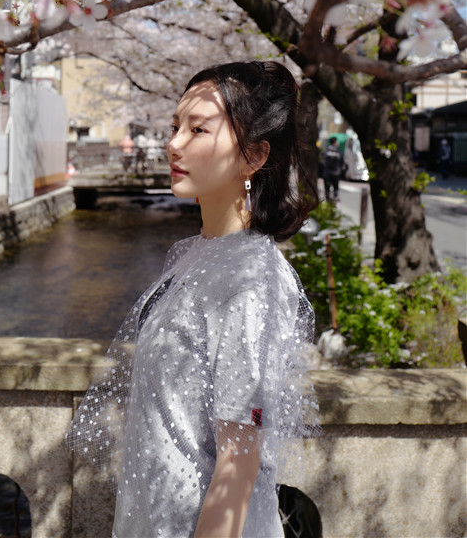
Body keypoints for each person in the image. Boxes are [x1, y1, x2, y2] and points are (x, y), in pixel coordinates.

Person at [67, 61, 319, 538]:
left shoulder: (252, 280)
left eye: (198, 129)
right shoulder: (199, 256)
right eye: (175, 127)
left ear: (254, 156)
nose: (174, 143)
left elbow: (238, 464)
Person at [323, 136, 343, 203]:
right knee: (336, 188)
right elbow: (342, 163)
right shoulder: (338, 152)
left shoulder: (326, 151)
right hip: (336, 173)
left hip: (327, 173)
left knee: (327, 188)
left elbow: (322, 161)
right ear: (335, 142)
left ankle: (328, 200)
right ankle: (335, 200)